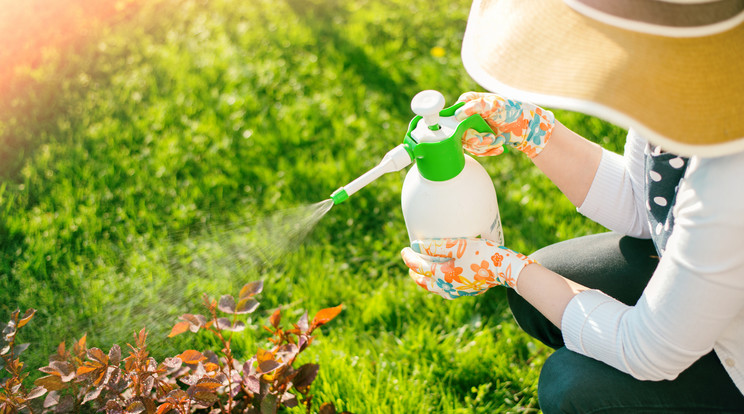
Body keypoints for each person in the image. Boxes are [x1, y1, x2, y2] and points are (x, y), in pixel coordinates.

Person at [400, 0, 744, 412]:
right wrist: (535, 131)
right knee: (549, 283)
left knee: (572, 385)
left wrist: (507, 268)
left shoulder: (730, 177)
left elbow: (649, 350)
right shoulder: (688, 84)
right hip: (723, 295)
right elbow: (645, 203)